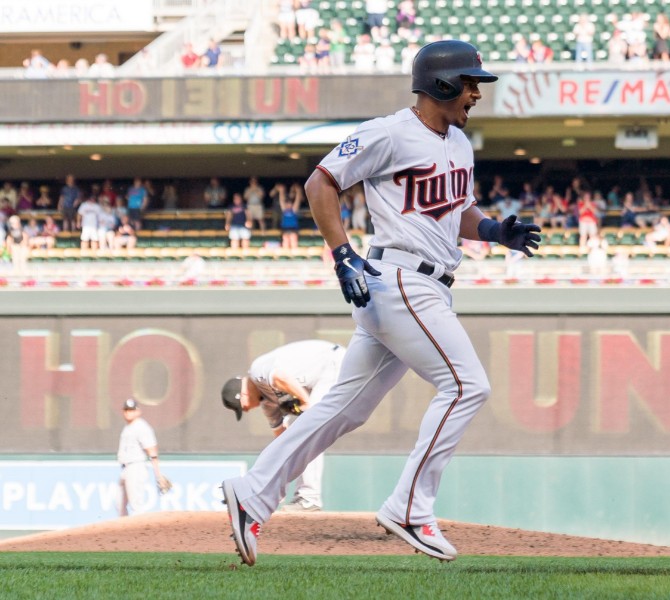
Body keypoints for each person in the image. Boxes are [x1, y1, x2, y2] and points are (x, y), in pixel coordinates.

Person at [221, 39, 540, 567]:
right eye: (469, 83)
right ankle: (410, 507)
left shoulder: (459, 144)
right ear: (439, 84)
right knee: (466, 386)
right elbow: (321, 182)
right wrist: (341, 254)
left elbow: (455, 209)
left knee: (343, 408)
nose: (476, 94)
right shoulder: (389, 132)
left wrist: (493, 230)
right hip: (398, 279)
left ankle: (252, 492)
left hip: (424, 284)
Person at [221, 340, 347, 512]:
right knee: (300, 439)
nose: (247, 410)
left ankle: (309, 499)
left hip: (332, 362)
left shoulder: (257, 370)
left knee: (309, 433)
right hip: (323, 375)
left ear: (242, 395)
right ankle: (294, 497)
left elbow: (281, 378)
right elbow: (283, 442)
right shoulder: (268, 405)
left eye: (242, 407)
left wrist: (305, 403)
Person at [117, 398, 168, 516]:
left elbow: (152, 450)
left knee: (136, 505)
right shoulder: (129, 427)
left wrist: (158, 474)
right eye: (126, 410)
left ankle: (139, 533)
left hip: (136, 467)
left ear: (138, 411)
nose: (129, 412)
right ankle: (122, 532)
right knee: (120, 504)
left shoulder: (141, 426)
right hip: (126, 468)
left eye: (131, 410)